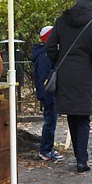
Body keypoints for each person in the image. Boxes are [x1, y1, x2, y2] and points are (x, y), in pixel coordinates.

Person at [45, 0, 92, 173]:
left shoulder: (62, 21)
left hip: (65, 75)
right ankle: (82, 160)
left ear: (77, 1)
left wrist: (58, 63)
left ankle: (80, 157)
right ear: (91, 5)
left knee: (72, 115)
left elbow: (49, 46)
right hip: (84, 75)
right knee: (83, 118)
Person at [31, 25, 63, 162]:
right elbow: (44, 78)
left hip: (48, 93)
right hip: (49, 94)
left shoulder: (43, 53)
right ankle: (45, 150)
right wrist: (48, 94)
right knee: (50, 122)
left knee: (50, 121)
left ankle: (47, 149)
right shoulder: (45, 55)